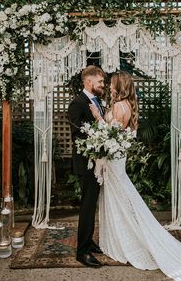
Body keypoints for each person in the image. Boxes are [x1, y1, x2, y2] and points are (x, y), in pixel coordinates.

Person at [90, 70, 181, 280]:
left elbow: (110, 135)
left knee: (121, 199)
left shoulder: (118, 106)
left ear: (120, 85)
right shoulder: (127, 105)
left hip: (114, 161)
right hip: (117, 160)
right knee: (120, 199)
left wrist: (98, 117)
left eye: (112, 83)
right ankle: (122, 236)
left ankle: (130, 240)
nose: (108, 86)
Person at [68, 65, 105, 268]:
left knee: (92, 206)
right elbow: (78, 136)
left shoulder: (96, 101)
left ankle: (89, 241)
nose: (102, 85)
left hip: (98, 163)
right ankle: (82, 252)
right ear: (89, 81)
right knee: (87, 207)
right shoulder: (77, 103)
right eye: (100, 81)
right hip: (87, 163)